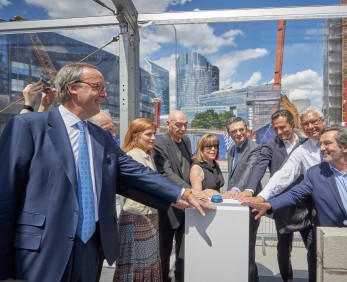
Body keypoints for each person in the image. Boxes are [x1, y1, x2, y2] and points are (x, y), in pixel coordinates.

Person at [0, 63, 212, 282]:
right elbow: (5, 198)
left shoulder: (101, 138)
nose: (103, 93)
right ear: (73, 88)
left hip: (91, 248)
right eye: (97, 86)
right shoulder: (28, 126)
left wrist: (182, 194)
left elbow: (135, 172)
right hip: (42, 251)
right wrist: (4, 271)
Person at [244, 126, 347, 231]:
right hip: (333, 239)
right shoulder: (315, 174)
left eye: (327, 144)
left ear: (345, 147)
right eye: (321, 144)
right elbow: (294, 194)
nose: (322, 148)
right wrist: (269, 204)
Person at [244, 109, 314, 282]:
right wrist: (250, 190)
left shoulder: (306, 143)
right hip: (282, 205)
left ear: (292, 124)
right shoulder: (270, 145)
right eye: (275, 128)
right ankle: (286, 279)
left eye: (283, 127)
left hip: (307, 204)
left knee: (313, 248)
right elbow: (259, 167)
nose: (279, 132)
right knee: (283, 249)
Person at [113, 118, 162, 282]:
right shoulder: (134, 156)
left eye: (154, 134)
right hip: (137, 218)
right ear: (135, 136)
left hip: (147, 216)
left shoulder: (146, 155)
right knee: (136, 266)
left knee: (146, 264)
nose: (153, 138)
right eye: (148, 134)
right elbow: (151, 186)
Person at [153, 110, 192, 282]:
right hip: (169, 206)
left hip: (187, 208)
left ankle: (180, 278)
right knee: (164, 251)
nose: (182, 128)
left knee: (184, 251)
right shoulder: (160, 143)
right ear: (167, 124)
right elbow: (166, 173)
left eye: (185, 124)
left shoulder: (187, 141)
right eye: (178, 125)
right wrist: (189, 191)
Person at [221, 116, 261, 282]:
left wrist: (236, 189)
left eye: (241, 129)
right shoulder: (231, 151)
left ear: (247, 130)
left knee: (248, 246)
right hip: (235, 205)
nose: (238, 133)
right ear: (229, 133)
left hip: (249, 204)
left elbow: (250, 170)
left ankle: (250, 278)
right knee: (237, 245)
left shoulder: (255, 148)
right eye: (234, 131)